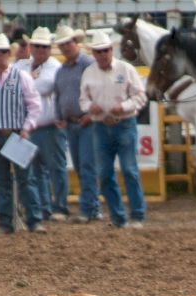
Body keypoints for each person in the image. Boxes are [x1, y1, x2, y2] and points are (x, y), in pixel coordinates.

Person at [0, 32, 42, 234]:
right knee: (2, 182)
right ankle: (5, 223)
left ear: (9, 53)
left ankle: (34, 220)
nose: (0, 55)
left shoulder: (21, 77)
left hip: (16, 134)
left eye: (3, 51)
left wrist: (26, 128)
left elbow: (34, 105)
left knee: (26, 180)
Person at [80, 31, 148, 229]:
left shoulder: (126, 69)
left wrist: (124, 106)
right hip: (100, 126)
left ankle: (137, 214)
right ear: (94, 53)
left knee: (129, 170)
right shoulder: (89, 73)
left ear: (111, 50)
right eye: (99, 51)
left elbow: (140, 96)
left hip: (124, 123)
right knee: (104, 173)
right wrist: (89, 107)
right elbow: (83, 99)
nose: (103, 54)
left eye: (106, 50)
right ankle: (119, 217)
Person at [14, 26, 66, 225]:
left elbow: (45, 86)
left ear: (49, 49)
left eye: (44, 46)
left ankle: (59, 207)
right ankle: (44, 208)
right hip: (28, 128)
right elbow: (12, 85)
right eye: (36, 46)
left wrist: (23, 86)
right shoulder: (22, 65)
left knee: (55, 169)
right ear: (31, 46)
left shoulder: (54, 66)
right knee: (35, 172)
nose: (40, 50)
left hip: (49, 125)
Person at [53, 24, 101, 224]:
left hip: (87, 122)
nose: (65, 47)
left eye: (68, 43)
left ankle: (87, 208)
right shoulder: (62, 69)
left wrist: (91, 113)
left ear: (76, 43)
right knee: (83, 167)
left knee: (87, 166)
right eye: (63, 44)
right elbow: (59, 95)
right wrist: (59, 115)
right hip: (72, 123)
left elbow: (98, 91)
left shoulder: (88, 64)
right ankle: (92, 208)